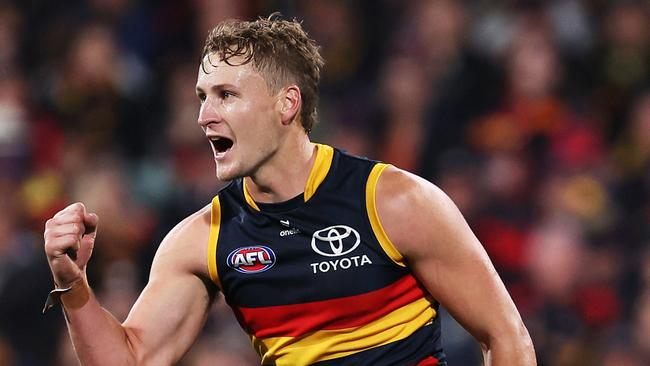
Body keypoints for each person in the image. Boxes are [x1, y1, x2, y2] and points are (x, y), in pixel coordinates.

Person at [42, 14, 535, 366]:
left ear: (287, 104)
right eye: (201, 97)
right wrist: (73, 284)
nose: (203, 115)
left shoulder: (394, 202)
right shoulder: (204, 240)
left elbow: (506, 337)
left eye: (226, 95)